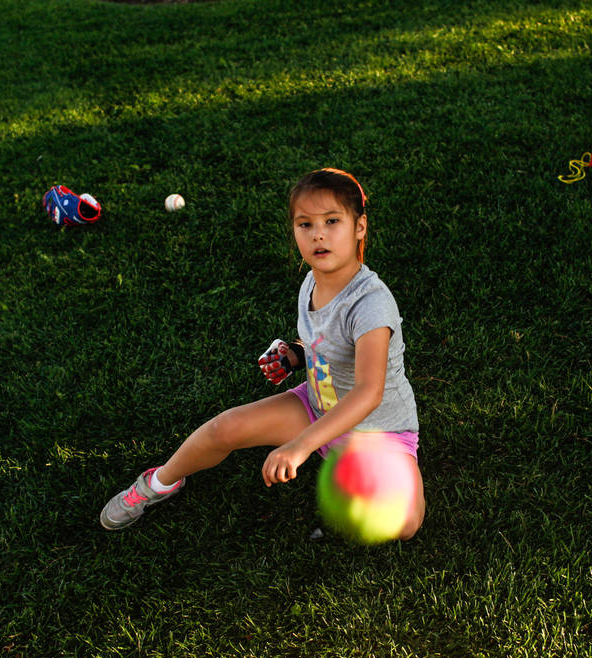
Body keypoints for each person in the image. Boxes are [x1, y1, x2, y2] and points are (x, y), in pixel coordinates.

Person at [100, 168, 425, 540]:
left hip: (377, 433)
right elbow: (324, 341)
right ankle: (158, 483)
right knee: (225, 428)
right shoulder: (312, 282)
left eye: (332, 221)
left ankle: (346, 464)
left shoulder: (371, 305)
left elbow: (369, 392)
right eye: (305, 224)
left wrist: (301, 445)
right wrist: (295, 355)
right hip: (318, 408)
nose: (318, 234)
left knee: (405, 525)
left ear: (359, 227)